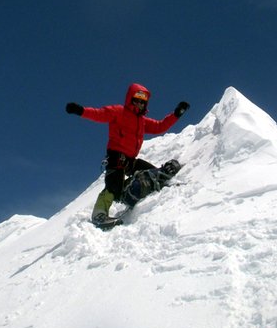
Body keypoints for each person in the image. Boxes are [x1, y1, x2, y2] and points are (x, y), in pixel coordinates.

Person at [66, 83, 189, 224]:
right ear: (130, 99)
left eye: (143, 102)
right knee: (113, 187)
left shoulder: (142, 121)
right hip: (115, 158)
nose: (140, 104)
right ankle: (99, 215)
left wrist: (176, 114)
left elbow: (159, 126)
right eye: (137, 100)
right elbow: (99, 114)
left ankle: (139, 189)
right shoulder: (118, 111)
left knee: (151, 172)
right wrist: (80, 110)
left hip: (131, 160)